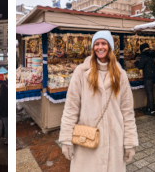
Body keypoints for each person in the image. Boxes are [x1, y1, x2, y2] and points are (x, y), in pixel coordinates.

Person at [59, 30, 138, 172]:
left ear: (110, 47)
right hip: (88, 141)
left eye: (104, 43)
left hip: (114, 140)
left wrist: (130, 142)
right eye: (96, 44)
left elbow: (127, 112)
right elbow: (71, 108)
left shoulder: (121, 75)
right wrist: (66, 139)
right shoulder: (81, 72)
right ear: (92, 48)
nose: (100, 47)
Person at [134, 43, 155, 116]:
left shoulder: (144, 55)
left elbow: (140, 66)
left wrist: (136, 62)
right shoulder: (153, 54)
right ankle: (148, 107)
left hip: (148, 77)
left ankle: (151, 110)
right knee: (150, 92)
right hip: (154, 76)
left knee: (149, 93)